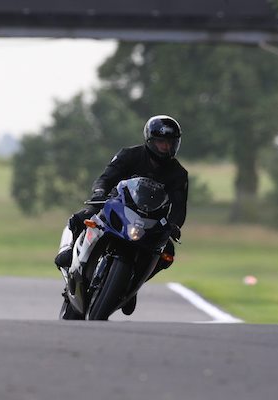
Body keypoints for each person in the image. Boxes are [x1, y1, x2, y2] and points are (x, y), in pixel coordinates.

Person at [54, 115, 189, 315]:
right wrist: (99, 192)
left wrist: (174, 225)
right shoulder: (129, 155)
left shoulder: (179, 174)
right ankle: (69, 252)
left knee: (167, 253)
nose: (165, 147)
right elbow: (106, 177)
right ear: (150, 140)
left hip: (151, 221)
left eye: (170, 142)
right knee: (81, 218)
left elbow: (179, 206)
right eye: (161, 142)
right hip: (119, 207)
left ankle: (134, 283)